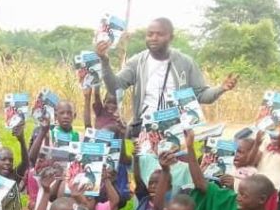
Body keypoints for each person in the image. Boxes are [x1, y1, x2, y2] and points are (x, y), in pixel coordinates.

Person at [98, 18, 238, 186]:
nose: (153, 38)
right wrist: (104, 61)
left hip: (178, 133)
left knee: (178, 181)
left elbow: (202, 95)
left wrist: (221, 88)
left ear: (171, 37)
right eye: (150, 34)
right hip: (147, 133)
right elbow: (115, 86)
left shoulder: (185, 62)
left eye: (159, 34)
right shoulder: (138, 62)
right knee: (149, 182)